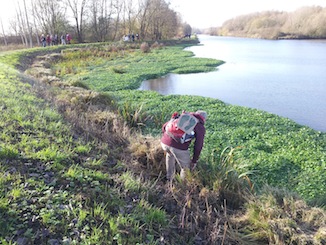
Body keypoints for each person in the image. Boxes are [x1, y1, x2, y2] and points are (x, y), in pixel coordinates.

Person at [161, 110, 207, 181]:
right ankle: (182, 184)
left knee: (170, 155)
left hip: (164, 143)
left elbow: (164, 126)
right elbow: (198, 146)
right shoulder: (199, 126)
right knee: (185, 168)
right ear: (204, 119)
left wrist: (166, 138)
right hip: (178, 147)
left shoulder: (183, 116)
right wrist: (194, 160)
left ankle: (169, 178)